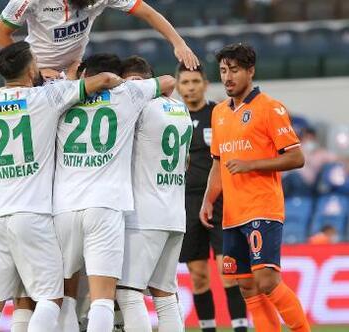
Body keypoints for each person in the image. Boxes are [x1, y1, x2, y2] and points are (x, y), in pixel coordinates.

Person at [0, 40, 126, 332]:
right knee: (49, 299)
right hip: (32, 215)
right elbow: (104, 80)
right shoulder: (46, 98)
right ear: (31, 66)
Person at [52, 54, 175, 332]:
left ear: (86, 76)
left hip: (63, 207)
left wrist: (75, 79)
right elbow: (168, 81)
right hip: (106, 206)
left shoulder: (61, 95)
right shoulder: (127, 95)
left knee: (62, 295)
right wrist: (120, 84)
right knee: (103, 299)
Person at [200, 43, 309, 332]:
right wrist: (209, 200)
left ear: (250, 71)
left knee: (267, 281)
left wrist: (250, 165)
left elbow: (296, 157)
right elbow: (218, 164)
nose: (227, 77)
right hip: (232, 214)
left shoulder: (270, 108)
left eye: (234, 70)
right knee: (246, 286)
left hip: (262, 206)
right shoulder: (219, 113)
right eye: (223, 70)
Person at [175, 62, 248, 332]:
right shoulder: (172, 116)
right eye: (185, 82)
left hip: (221, 202)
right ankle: (208, 329)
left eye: (195, 82)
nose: (190, 87)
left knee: (228, 272)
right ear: (178, 86)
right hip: (186, 203)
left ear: (205, 84)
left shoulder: (220, 113)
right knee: (198, 276)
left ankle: (240, 327)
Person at [0, 0, 199, 80]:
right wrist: (33, 71)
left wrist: (179, 43)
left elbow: (148, 13)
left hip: (73, 71)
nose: (94, 3)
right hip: (36, 75)